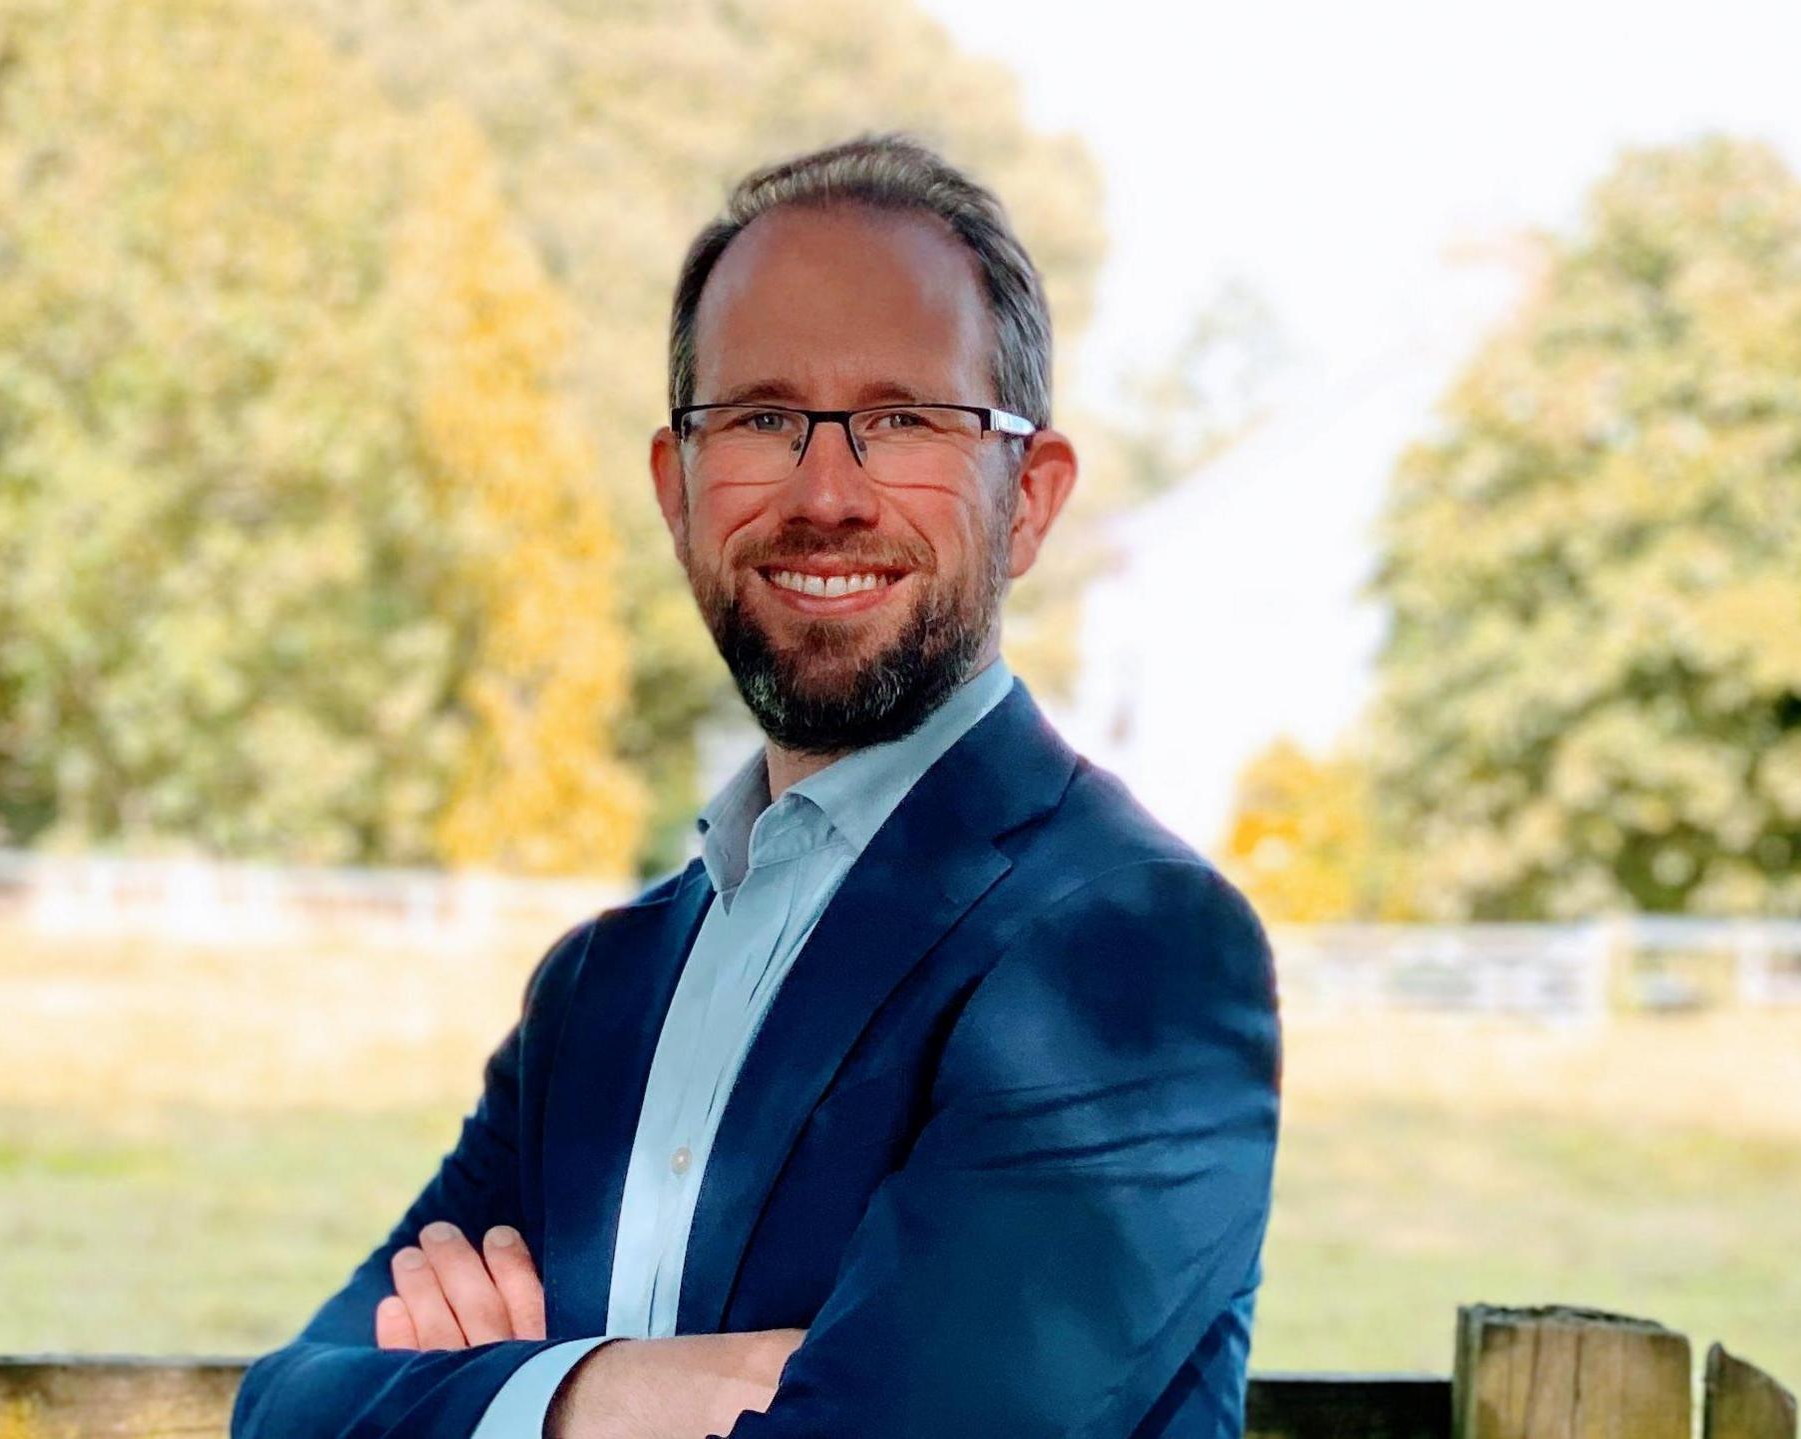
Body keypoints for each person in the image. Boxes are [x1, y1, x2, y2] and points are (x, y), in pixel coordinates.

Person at [234, 132, 1281, 1439]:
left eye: (905, 418)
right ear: (677, 493)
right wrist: (603, 1392)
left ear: (1030, 498)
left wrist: (478, 1400)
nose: (826, 492)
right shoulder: (598, 990)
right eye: (762, 420)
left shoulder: (1132, 955)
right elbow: (285, 1408)